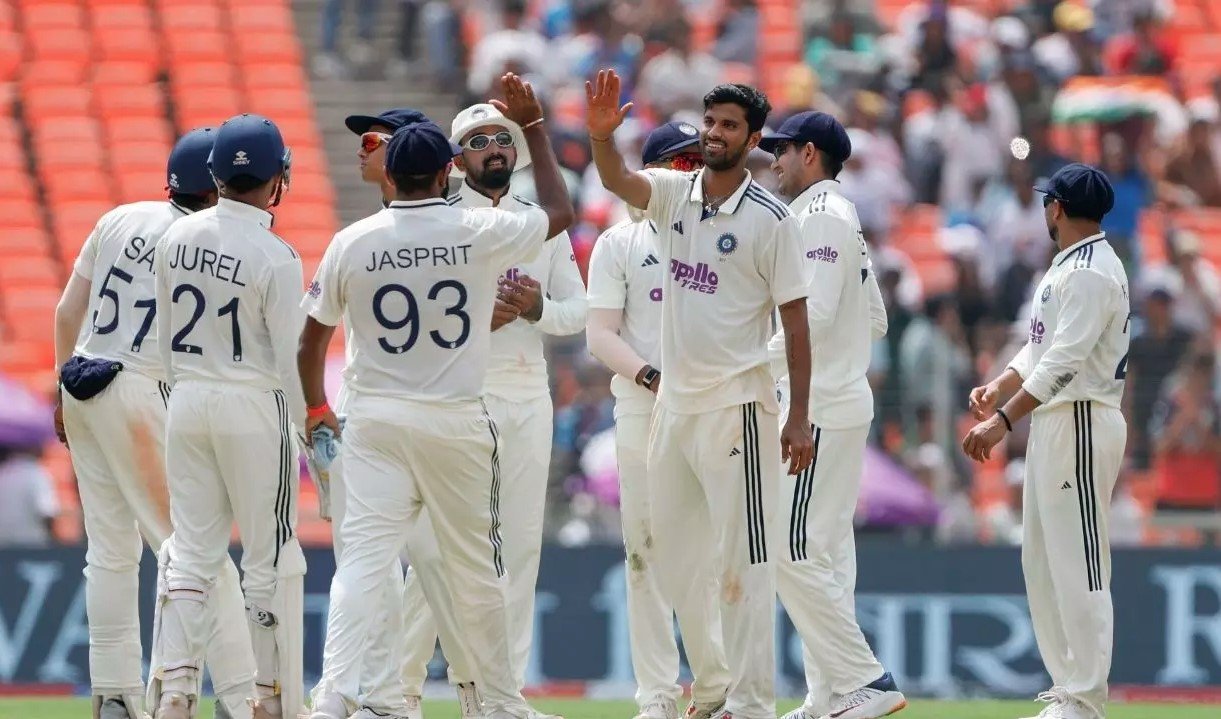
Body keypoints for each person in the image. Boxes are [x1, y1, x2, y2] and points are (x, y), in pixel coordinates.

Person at [299, 73, 574, 719]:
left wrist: (316, 408)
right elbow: (560, 215)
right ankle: (499, 702)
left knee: (363, 566)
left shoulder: (353, 240)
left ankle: (334, 694)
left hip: (373, 421)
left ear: (391, 172)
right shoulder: (478, 228)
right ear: (448, 170)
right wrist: (535, 128)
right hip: (455, 419)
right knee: (476, 568)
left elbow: (309, 342)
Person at [585, 70, 814, 719]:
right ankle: (712, 681)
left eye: (728, 126)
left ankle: (751, 702)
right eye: (710, 122)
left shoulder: (772, 220)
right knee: (674, 561)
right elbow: (618, 180)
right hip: (672, 410)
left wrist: (798, 416)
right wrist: (601, 137)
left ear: (753, 139)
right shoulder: (672, 195)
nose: (714, 134)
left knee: (745, 563)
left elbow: (796, 324)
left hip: (737, 407)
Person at [53, 128, 256, 719]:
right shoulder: (210, 240)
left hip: (83, 378)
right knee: (195, 552)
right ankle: (241, 696)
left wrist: (61, 391)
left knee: (110, 552)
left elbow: (67, 312)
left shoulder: (120, 217)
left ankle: (114, 693)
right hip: (142, 389)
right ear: (216, 186)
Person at [397, 100, 588, 713]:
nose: (494, 149)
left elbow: (576, 311)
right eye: (478, 141)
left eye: (502, 138)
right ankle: (397, 689)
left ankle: (502, 694)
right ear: (457, 160)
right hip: (458, 394)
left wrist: (536, 309)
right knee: (437, 550)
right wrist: (478, 320)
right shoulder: (439, 222)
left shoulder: (538, 221)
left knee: (521, 548)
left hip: (525, 393)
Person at [306, 106, 462, 719]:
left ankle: (402, 691)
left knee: (428, 563)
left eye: (374, 140)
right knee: (372, 562)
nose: (362, 149)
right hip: (371, 410)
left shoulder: (436, 231)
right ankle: (383, 697)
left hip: (410, 412)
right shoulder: (365, 235)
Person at [150, 115, 306, 719]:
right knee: (267, 558)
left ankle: (176, 693)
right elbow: (291, 361)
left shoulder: (176, 237)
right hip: (253, 403)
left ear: (214, 175)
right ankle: (264, 699)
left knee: (191, 554)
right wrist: (311, 424)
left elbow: (166, 339)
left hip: (188, 398)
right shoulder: (277, 255)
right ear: (277, 180)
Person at [963, 163, 1129, 719]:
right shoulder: (1071, 265)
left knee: (1078, 562)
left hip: (1080, 418)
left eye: (1046, 202)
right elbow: (1042, 347)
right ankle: (1066, 689)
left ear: (1056, 207)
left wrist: (1002, 420)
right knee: (1043, 560)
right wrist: (1002, 383)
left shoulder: (1089, 271)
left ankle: (1085, 697)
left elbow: (1065, 361)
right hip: (1058, 420)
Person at [759, 111, 905, 719]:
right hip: (840, 401)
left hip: (815, 406)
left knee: (786, 548)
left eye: (783, 150)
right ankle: (828, 697)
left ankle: (865, 680)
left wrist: (749, 366)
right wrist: (845, 362)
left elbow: (813, 316)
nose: (775, 162)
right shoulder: (842, 215)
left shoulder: (818, 215)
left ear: (810, 153)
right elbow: (876, 319)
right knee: (826, 555)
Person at [585, 120, 705, 719]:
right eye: (681, 164)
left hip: (713, 408)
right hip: (643, 406)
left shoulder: (724, 235)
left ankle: (719, 686)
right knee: (645, 551)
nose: (693, 175)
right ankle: (657, 695)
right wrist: (654, 379)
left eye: (698, 162)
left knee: (716, 552)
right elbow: (600, 334)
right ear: (650, 175)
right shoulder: (621, 242)